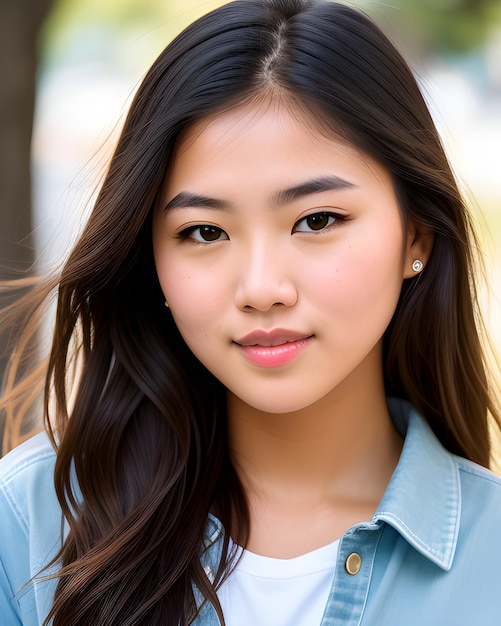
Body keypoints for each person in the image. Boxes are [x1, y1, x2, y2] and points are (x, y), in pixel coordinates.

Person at [1, 0, 500, 624]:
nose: (262, 289)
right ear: (149, 256)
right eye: (205, 232)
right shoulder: (26, 526)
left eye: (317, 220)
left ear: (417, 238)